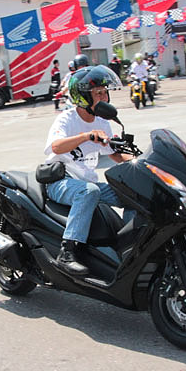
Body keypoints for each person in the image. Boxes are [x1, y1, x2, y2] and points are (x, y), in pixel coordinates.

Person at [44, 65, 133, 275]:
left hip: (87, 182)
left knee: (135, 195)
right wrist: (85, 136)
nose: (103, 97)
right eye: (98, 93)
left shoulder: (103, 121)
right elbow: (55, 146)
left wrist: (141, 163)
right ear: (83, 96)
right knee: (88, 191)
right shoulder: (67, 119)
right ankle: (67, 253)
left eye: (105, 92)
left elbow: (114, 152)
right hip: (60, 180)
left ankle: (130, 247)